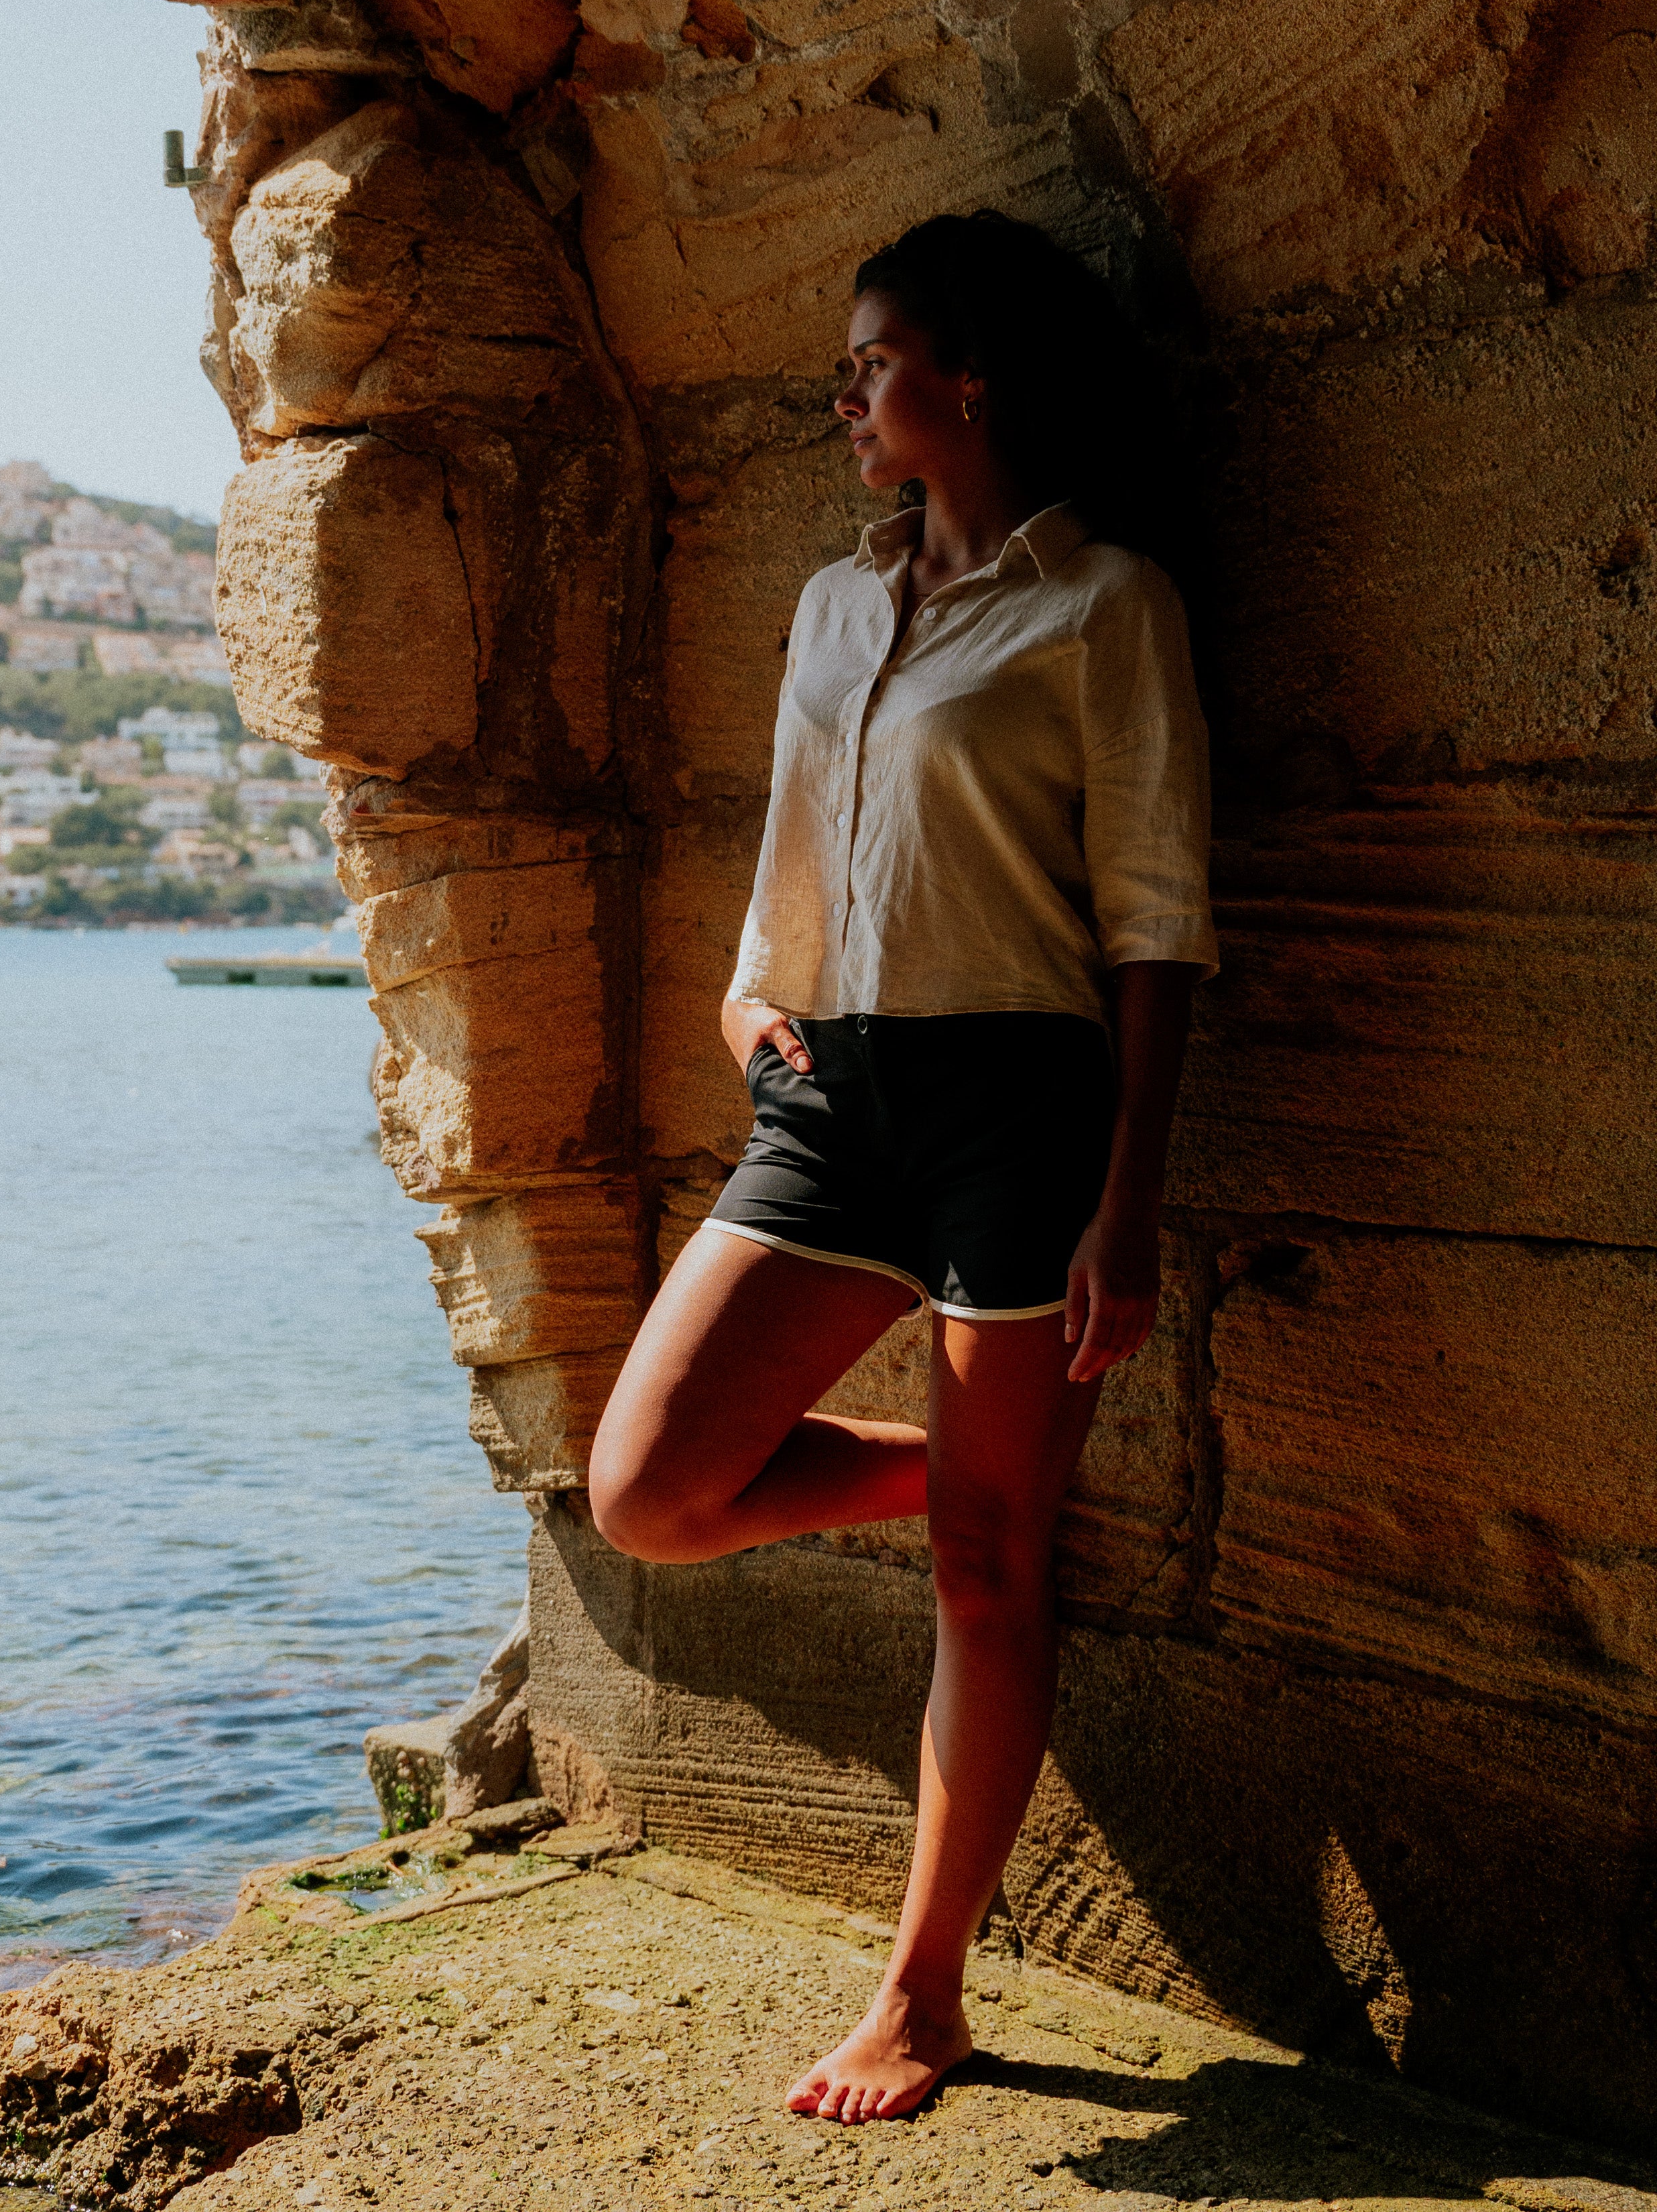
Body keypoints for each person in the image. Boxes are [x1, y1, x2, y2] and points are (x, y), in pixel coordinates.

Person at [589, 209, 1218, 2123]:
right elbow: (790, 839)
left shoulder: (1108, 606)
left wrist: (1131, 1198)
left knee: (984, 1577)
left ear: (976, 379)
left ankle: (924, 1996)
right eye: (848, 366)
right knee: (649, 1491)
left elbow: (1156, 921)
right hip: (828, 1100)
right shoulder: (830, 604)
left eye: (875, 362)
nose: (848, 397)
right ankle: (979, 1483)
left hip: (1019, 1109)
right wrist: (739, 993)